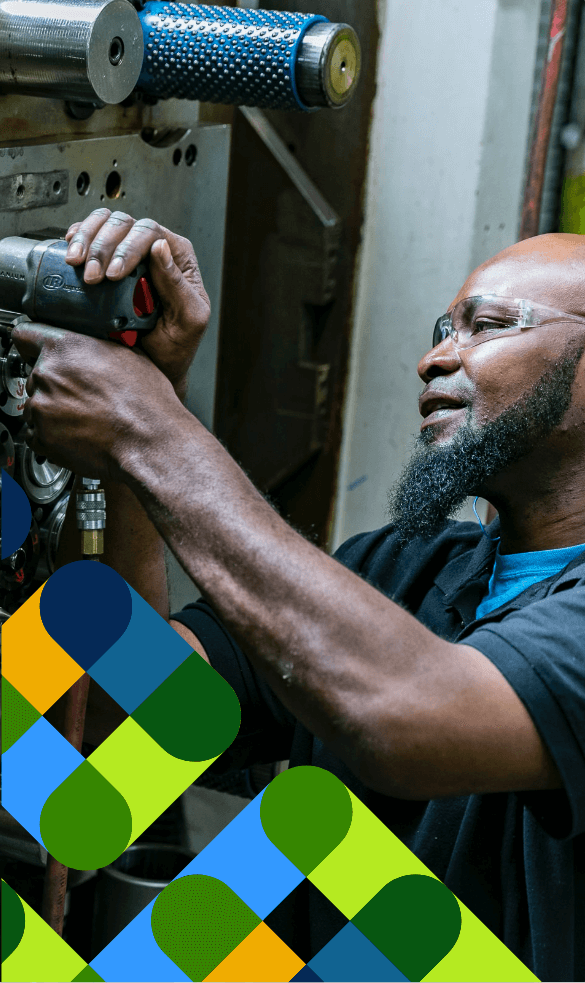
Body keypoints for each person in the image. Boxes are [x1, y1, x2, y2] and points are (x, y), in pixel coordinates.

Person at [12, 208, 585, 982]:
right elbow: (129, 711)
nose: (433, 358)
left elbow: (401, 716)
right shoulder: (400, 570)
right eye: (441, 327)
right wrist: (145, 406)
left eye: (484, 325)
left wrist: (149, 432)